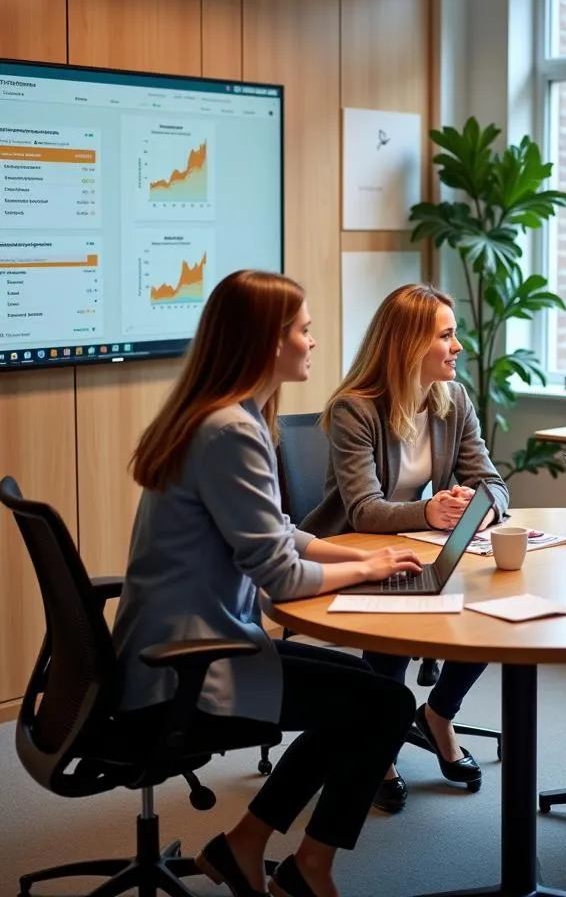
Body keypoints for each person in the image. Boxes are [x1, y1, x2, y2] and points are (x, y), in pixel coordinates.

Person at [112, 270, 424, 897]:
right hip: (188, 664)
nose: (312, 342)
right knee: (384, 705)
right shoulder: (229, 432)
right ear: (266, 343)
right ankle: (307, 866)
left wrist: (366, 554)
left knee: (365, 692)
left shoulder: (225, 417)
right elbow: (281, 577)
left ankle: (245, 847)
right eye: (303, 331)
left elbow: (279, 530)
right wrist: (364, 569)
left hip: (192, 639)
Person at [302, 283, 511, 813]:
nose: (458, 346)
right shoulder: (355, 409)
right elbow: (363, 510)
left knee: (496, 612)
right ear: (408, 345)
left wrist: (481, 507)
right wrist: (431, 511)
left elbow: (493, 482)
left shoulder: (453, 399)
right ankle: (382, 748)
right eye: (446, 335)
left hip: (422, 545)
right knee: (395, 620)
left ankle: (439, 713)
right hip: (350, 549)